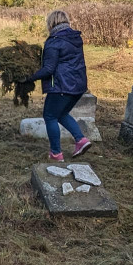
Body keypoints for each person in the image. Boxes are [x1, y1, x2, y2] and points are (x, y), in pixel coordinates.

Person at [23, 9, 92, 161]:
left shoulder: (54, 41)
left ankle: (56, 153)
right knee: (61, 114)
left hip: (61, 86)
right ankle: (81, 140)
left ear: (51, 23)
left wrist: (30, 78)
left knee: (49, 116)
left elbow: (49, 69)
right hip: (78, 86)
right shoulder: (75, 38)